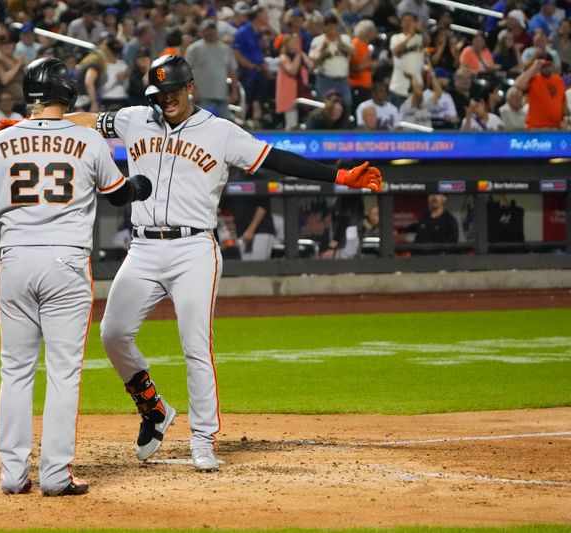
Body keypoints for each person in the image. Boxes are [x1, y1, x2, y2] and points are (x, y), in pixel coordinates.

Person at [64, 55, 382, 471]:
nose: (166, 100)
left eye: (173, 91)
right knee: (112, 333)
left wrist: (339, 177)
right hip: (143, 249)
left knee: (195, 345)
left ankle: (203, 439)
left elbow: (276, 159)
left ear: (190, 87)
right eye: (159, 94)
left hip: (193, 249)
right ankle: (154, 408)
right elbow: (87, 120)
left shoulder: (219, 131)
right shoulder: (133, 118)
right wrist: (31, 129)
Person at [0, 57, 152, 496]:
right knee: (64, 372)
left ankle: (13, 475)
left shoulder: (1, 140)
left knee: (14, 371)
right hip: (66, 264)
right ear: (66, 94)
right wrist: (141, 186)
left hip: (14, 260)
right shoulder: (88, 141)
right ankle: (55, 474)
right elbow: (118, 196)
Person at [185, 18, 239, 120]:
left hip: (222, 94)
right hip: (202, 95)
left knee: (227, 122)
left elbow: (232, 70)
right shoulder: (194, 48)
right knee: (200, 122)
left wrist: (234, 91)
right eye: (207, 30)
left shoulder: (225, 49)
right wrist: (193, 90)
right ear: (202, 31)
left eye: (212, 29)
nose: (210, 32)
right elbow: (186, 71)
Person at [515, 52, 568, 129]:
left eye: (548, 65)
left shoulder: (559, 80)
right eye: (543, 66)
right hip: (536, 128)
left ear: (552, 65)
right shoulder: (533, 79)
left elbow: (563, 105)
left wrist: (565, 119)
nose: (546, 68)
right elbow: (518, 85)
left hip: (556, 128)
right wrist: (534, 66)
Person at [388, 12, 424, 107]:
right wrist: (410, 35)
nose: (408, 23)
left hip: (416, 87)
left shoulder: (420, 38)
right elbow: (396, 51)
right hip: (398, 86)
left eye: (410, 20)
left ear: (415, 23)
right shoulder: (396, 37)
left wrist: (421, 30)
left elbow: (428, 41)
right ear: (401, 24)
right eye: (405, 20)